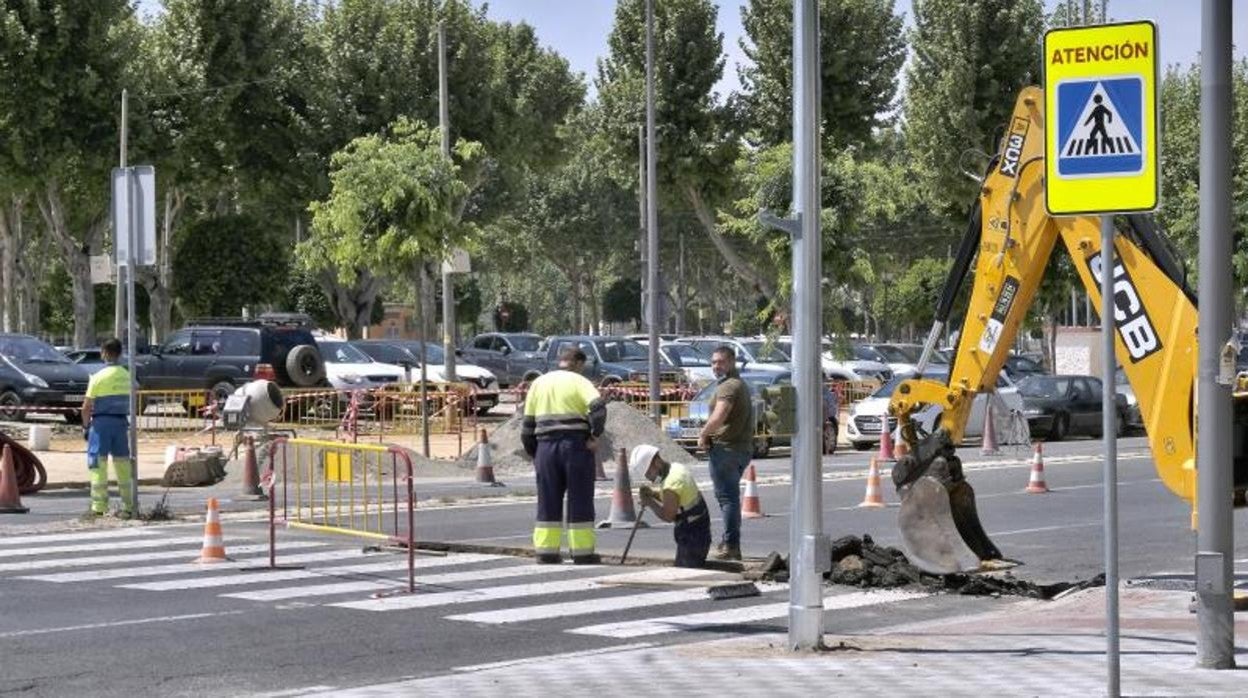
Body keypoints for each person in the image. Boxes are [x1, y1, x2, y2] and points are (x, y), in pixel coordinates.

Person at [521, 346, 607, 564]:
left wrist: (535, 453)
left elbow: (527, 426)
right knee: (580, 498)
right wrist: (594, 436)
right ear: (578, 363)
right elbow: (598, 408)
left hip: (545, 448)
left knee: (547, 500)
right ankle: (582, 553)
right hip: (575, 446)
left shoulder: (538, 383)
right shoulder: (580, 382)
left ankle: (546, 552)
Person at [697, 345, 755, 561]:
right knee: (729, 497)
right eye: (713, 362)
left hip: (726, 449)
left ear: (731, 362)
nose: (716, 366)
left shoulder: (729, 386)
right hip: (739, 449)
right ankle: (730, 543)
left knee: (727, 498)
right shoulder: (738, 384)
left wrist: (704, 434)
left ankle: (730, 545)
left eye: (720, 362)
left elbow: (720, 414)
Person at [630, 444, 712, 568]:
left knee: (685, 572)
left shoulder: (671, 483)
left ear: (656, 462)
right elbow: (676, 499)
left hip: (693, 536)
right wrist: (653, 494)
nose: (650, 479)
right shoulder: (676, 468)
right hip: (698, 528)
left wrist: (650, 502)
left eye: (648, 474)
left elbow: (668, 516)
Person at [81, 338, 134, 518]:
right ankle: (128, 505)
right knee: (123, 465)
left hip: (101, 425)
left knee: (97, 465)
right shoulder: (128, 376)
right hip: (120, 424)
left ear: (104, 353)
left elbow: (86, 407)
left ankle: (99, 506)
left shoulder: (98, 377)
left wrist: (85, 426)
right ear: (120, 353)